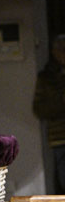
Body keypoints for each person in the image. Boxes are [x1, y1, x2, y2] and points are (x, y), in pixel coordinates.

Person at [33, 34, 65, 193]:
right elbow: (39, 109)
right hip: (59, 136)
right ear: (54, 52)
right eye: (60, 50)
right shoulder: (46, 77)